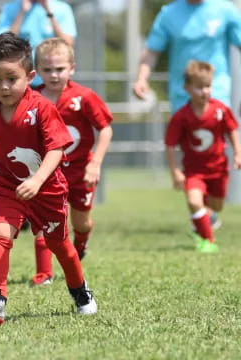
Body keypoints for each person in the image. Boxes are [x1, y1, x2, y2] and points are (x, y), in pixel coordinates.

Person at [0, 32, 97, 324]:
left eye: (11, 78)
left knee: (59, 245)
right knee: (0, 235)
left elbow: (57, 147)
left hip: (47, 190)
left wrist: (37, 181)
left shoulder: (42, 108)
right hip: (9, 187)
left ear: (30, 76)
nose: (3, 86)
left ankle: (80, 291)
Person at [133, 0, 241, 228]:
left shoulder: (225, 11)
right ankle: (200, 208)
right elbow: (152, 50)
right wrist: (142, 78)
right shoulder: (169, 14)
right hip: (182, 96)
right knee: (190, 151)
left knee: (213, 148)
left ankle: (206, 208)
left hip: (217, 91)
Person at [30, 38, 113, 286]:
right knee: (46, 223)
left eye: (60, 69)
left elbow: (105, 129)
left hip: (80, 172)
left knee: (80, 221)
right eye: (47, 70)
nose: (54, 75)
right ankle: (44, 273)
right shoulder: (31, 98)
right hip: (48, 173)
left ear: (72, 68)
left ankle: (80, 245)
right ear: (37, 71)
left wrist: (95, 163)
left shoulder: (84, 97)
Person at [165, 60, 241, 253]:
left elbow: (232, 130)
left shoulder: (220, 110)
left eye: (208, 86)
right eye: (199, 87)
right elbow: (170, 145)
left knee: (216, 206)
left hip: (218, 168)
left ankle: (203, 221)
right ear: (187, 88)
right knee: (193, 201)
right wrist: (175, 171)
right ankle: (208, 240)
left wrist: (238, 153)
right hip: (194, 171)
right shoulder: (181, 117)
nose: (205, 91)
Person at [0, 0, 77, 87]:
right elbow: (2, 43)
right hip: (21, 80)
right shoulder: (9, 8)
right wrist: (22, 12)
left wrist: (49, 12)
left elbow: (68, 43)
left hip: (54, 79)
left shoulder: (62, 8)